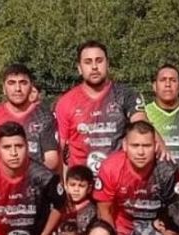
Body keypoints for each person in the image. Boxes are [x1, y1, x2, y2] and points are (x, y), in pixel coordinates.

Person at [54, 40, 149, 174]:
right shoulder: (66, 102)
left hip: (118, 182)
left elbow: (142, 127)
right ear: (79, 68)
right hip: (82, 186)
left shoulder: (125, 95)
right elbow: (60, 151)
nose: (94, 67)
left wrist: (162, 146)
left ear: (108, 64)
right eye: (88, 62)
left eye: (99, 61)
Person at [0, 63, 60, 172]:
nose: (17, 88)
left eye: (23, 83)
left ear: (31, 87)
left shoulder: (44, 116)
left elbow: (52, 159)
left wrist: (25, 176)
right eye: (11, 83)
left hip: (34, 184)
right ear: (4, 88)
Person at [145, 64, 179, 167]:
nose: (168, 84)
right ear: (154, 86)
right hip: (155, 179)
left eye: (173, 80)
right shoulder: (144, 113)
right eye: (163, 80)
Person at [61, 165, 98, 233]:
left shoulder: (92, 211)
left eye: (81, 186)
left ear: (89, 188)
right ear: (66, 185)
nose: (76, 189)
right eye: (72, 185)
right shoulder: (61, 205)